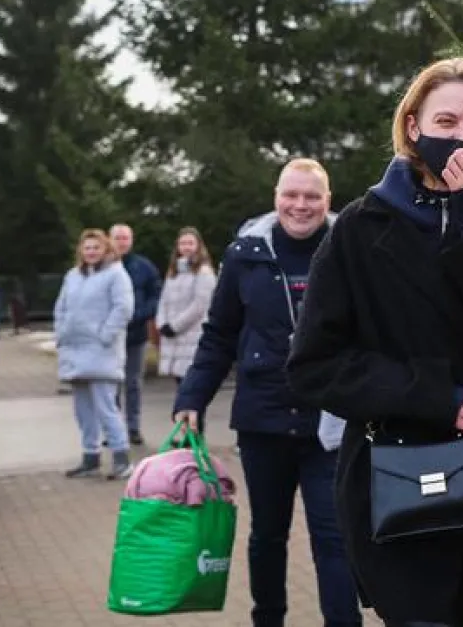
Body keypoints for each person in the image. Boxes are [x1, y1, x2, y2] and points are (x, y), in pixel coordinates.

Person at [286, 57, 463, 627]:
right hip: (395, 474)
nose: (461, 137)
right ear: (414, 127)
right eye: (446, 122)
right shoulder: (361, 230)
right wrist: (434, 396)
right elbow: (315, 365)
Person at [173, 158, 362, 627]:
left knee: (335, 536)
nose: (301, 205)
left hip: (331, 424)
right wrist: (191, 399)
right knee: (267, 536)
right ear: (276, 196)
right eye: (291, 195)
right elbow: (219, 334)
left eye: (312, 196)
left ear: (328, 201)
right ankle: (268, 619)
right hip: (264, 420)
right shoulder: (245, 254)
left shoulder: (351, 250)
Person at [55, 229, 136, 480]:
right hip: (75, 350)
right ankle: (90, 457)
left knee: (106, 407)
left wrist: (105, 335)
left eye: (96, 247)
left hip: (101, 351)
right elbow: (61, 306)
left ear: (106, 249)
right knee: (82, 409)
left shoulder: (116, 275)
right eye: (87, 248)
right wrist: (61, 333)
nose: (91, 252)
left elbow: (123, 308)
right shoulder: (73, 276)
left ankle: (121, 458)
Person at [156, 227, 217, 431]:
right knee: (181, 392)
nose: (186, 247)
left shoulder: (204, 273)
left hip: (192, 337)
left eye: (190, 243)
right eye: (183, 243)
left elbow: (200, 305)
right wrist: (162, 323)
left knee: (193, 393)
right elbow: (163, 300)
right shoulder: (173, 273)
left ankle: (194, 438)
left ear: (199, 246)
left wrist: (175, 325)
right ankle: (183, 436)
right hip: (174, 340)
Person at [110, 223, 161, 446]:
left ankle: (133, 428)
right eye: (117, 238)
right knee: (111, 384)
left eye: (125, 238)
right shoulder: (103, 266)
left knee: (133, 383)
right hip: (110, 337)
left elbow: (156, 296)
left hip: (135, 335)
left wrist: (138, 315)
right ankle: (113, 429)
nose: (121, 242)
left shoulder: (143, 267)